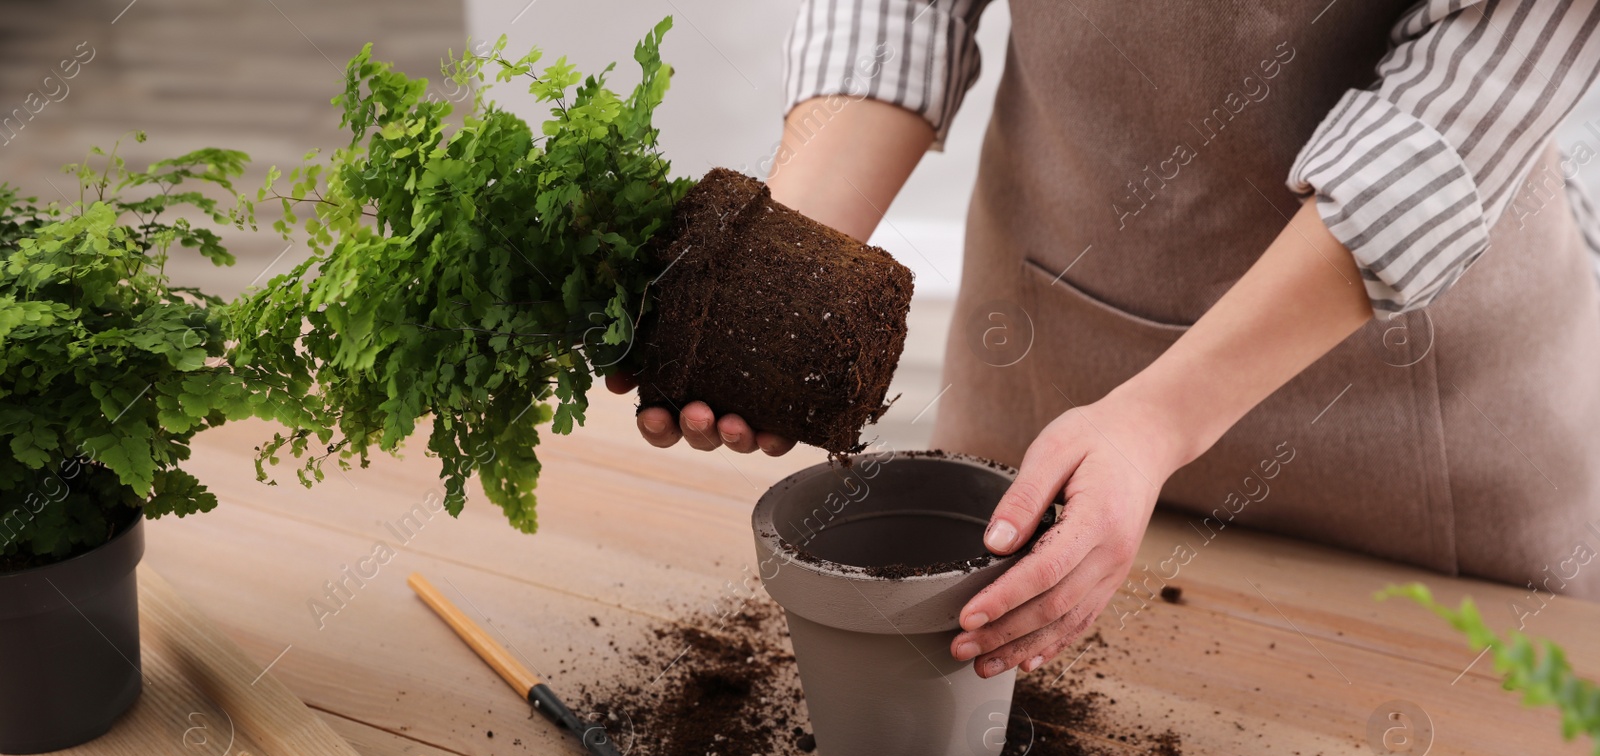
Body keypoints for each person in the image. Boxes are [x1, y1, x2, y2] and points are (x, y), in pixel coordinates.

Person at [608, 0, 1600, 679]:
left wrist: (1158, 417)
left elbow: (1446, 123)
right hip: (1044, 352)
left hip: (1420, 436)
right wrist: (783, 268)